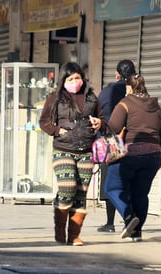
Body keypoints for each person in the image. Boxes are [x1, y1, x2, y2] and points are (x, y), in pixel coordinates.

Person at [39, 62, 105, 246]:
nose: (75, 81)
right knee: (67, 188)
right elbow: (44, 121)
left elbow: (103, 119)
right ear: (64, 80)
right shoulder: (55, 98)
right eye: (71, 78)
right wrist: (57, 130)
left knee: (81, 193)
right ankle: (60, 229)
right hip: (63, 149)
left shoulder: (91, 98)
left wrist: (100, 123)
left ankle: (74, 235)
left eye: (78, 78)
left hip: (85, 150)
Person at [105, 73, 161, 242]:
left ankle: (128, 216)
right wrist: (160, 156)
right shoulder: (157, 107)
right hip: (154, 154)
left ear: (129, 88)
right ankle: (136, 232)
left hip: (132, 153)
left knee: (112, 187)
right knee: (141, 193)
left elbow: (114, 127)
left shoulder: (125, 104)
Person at [96, 59, 136, 233]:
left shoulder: (108, 91)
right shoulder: (139, 91)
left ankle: (110, 222)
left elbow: (98, 114)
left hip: (111, 141)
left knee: (110, 182)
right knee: (130, 183)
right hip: (134, 142)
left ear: (117, 74)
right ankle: (131, 220)